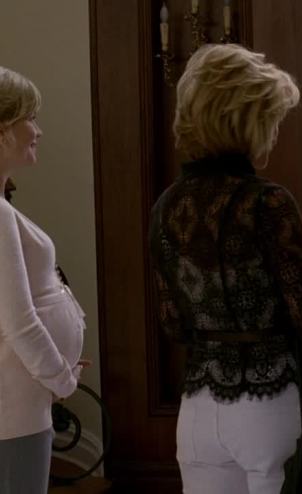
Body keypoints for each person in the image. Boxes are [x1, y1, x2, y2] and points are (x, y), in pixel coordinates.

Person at [148, 44, 302, 493]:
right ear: (246, 121)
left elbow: (174, 324)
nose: (273, 133)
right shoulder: (267, 202)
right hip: (275, 404)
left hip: (199, 411)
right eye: (271, 119)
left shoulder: (166, 206)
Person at [0, 67, 86, 494]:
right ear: (2, 130)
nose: (38, 131)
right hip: (15, 411)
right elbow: (19, 322)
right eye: (30, 118)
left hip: (20, 402)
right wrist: (62, 379)